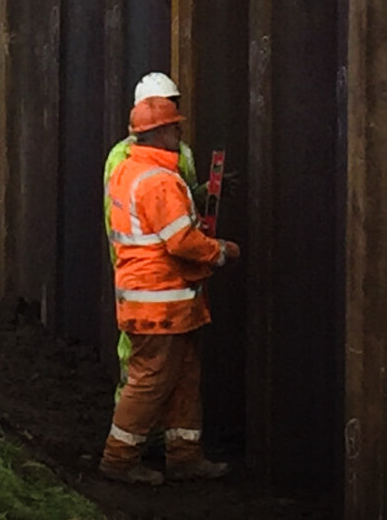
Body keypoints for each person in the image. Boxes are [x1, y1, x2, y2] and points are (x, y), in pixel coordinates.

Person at [99, 94, 238, 485]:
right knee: (150, 382)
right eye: (175, 126)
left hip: (167, 304)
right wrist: (221, 252)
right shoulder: (158, 181)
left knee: (183, 379)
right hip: (159, 305)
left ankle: (184, 456)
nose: (179, 131)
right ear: (159, 132)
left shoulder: (131, 171)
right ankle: (119, 460)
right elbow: (181, 242)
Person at [102, 72, 199, 394]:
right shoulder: (123, 156)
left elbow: (179, 201)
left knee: (174, 356)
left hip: (174, 265)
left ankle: (168, 433)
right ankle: (132, 427)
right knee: (139, 349)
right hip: (142, 260)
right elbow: (124, 210)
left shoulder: (180, 152)